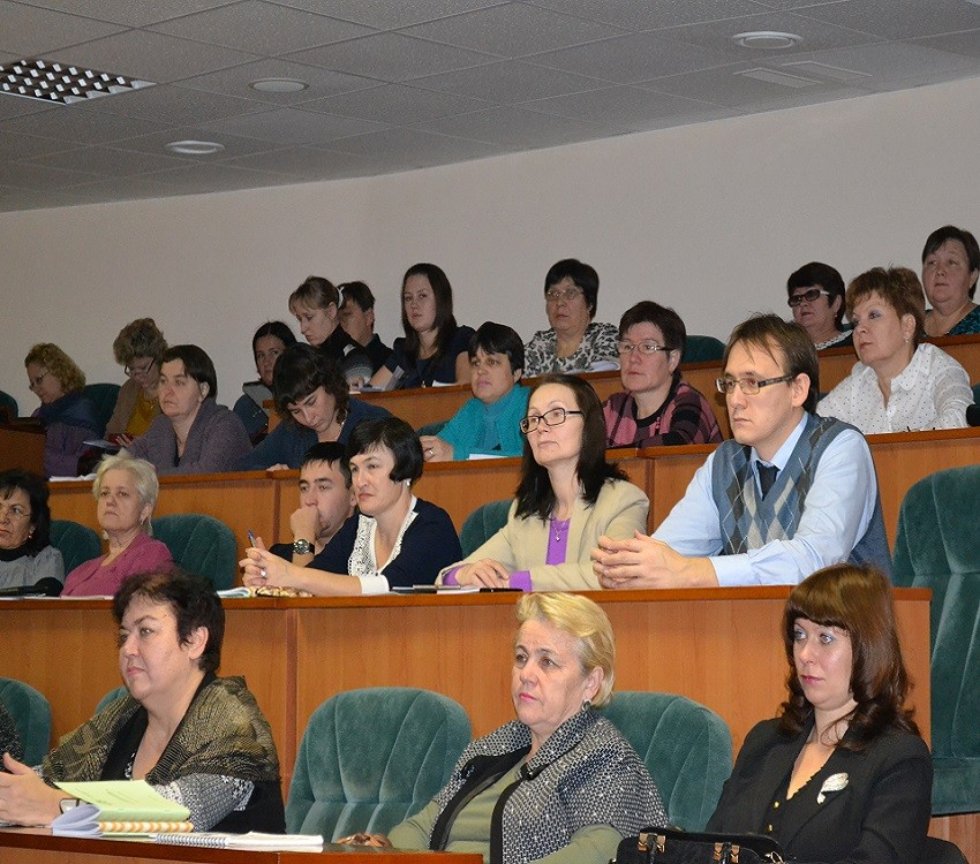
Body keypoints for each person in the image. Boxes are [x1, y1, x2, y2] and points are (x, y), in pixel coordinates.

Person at [338, 592, 666, 862]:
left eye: (547, 662)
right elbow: (422, 827)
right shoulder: (494, 747)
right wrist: (384, 852)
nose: (526, 674)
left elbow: (601, 849)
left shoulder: (604, 756)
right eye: (521, 658)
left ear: (591, 683)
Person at [592, 314, 890, 588]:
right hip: (749, 622)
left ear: (798, 389)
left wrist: (695, 571)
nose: (735, 399)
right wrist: (631, 567)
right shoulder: (724, 462)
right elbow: (671, 550)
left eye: (751, 383)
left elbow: (813, 561)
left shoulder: (840, 448)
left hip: (845, 625)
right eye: (730, 383)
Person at [0, 569, 284, 832]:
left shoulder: (234, 725)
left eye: (145, 631)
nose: (128, 649)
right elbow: (45, 782)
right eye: (124, 636)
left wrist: (59, 807)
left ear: (195, 641)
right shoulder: (121, 716)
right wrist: (15, 795)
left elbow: (179, 812)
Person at [707, 564, 931, 864]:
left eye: (825, 638)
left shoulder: (899, 759)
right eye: (800, 635)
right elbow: (710, 850)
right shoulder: (765, 741)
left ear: (867, 647)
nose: (804, 654)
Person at [440, 374, 649, 591]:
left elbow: (615, 575)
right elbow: (445, 578)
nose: (541, 427)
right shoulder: (525, 513)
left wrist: (517, 581)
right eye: (534, 418)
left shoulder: (623, 500)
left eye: (556, 413)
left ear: (589, 424)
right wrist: (463, 574)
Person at [241, 417, 460, 594]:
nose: (360, 481)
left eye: (372, 466)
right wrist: (267, 576)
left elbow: (389, 587)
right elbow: (314, 579)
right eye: (355, 469)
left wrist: (290, 574)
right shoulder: (358, 526)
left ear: (405, 470)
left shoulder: (433, 524)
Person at [818, 267, 971, 433]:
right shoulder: (859, 381)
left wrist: (905, 444)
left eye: (873, 315)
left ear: (907, 326)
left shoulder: (936, 366)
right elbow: (811, 431)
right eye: (856, 322)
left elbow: (960, 417)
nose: (859, 329)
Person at [240, 344, 389, 470]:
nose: (308, 418)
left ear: (329, 384)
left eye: (311, 402)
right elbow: (242, 468)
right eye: (296, 411)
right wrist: (273, 475)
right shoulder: (291, 432)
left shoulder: (374, 423)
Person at [603, 301, 722, 448]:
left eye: (647, 347)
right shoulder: (613, 407)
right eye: (627, 347)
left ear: (672, 360)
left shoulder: (689, 402)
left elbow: (678, 447)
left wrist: (604, 456)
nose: (633, 358)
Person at [129, 345, 252, 475]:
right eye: (163, 381)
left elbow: (205, 475)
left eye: (179, 383)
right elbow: (123, 462)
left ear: (203, 390)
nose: (167, 391)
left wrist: (149, 478)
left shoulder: (225, 424)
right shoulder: (161, 426)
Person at [61, 453, 172, 597]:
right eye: (104, 493)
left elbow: (138, 607)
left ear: (145, 510)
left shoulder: (152, 554)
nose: (110, 501)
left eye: (122, 494)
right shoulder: (80, 572)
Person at [420, 322, 530, 462]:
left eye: (492, 362)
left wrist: (458, 455)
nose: (480, 371)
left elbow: (532, 460)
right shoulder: (470, 410)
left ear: (516, 373)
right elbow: (440, 447)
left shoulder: (533, 406)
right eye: (475, 363)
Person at [368, 263, 475, 389]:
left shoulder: (461, 340)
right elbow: (371, 394)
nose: (414, 304)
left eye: (422, 296)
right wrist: (358, 388)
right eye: (408, 298)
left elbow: (463, 388)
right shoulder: (403, 353)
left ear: (441, 300)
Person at [523, 259, 619, 376]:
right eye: (553, 294)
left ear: (589, 303)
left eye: (570, 293)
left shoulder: (604, 337)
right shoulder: (540, 343)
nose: (559, 302)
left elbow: (603, 378)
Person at [267, 442, 355, 563]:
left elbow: (303, 575)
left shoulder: (364, 559)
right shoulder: (279, 556)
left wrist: (304, 535)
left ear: (353, 495)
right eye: (304, 488)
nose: (309, 500)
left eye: (323, 487)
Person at [24, 343, 101, 477]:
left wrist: (36, 454)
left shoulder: (82, 412)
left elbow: (83, 467)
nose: (36, 389)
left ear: (58, 371)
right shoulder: (37, 415)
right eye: (32, 384)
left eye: (39, 380)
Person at [290, 275, 372, 384]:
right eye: (300, 319)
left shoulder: (355, 358)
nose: (302, 328)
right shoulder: (307, 360)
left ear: (331, 311)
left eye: (309, 317)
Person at [105, 318, 168, 445]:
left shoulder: (174, 391)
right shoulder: (128, 389)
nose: (137, 377)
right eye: (132, 369)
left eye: (143, 368)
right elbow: (110, 433)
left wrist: (138, 449)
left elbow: (174, 444)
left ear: (159, 357)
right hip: (122, 455)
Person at [232, 321, 297, 442]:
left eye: (274, 353)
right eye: (261, 355)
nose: (267, 362)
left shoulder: (306, 399)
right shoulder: (245, 406)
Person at [0, 469, 64, 592]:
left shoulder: (45, 559)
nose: (2, 519)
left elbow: (43, 599)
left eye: (16, 510)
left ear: (33, 525)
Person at [921, 224, 980, 336]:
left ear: (973, 276)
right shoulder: (909, 328)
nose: (939, 271)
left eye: (951, 262)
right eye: (932, 262)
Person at [786, 262, 853, 350]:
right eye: (796, 298)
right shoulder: (784, 351)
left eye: (811, 294)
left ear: (836, 303)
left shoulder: (858, 344)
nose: (802, 303)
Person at [338, 280, 392, 373]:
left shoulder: (391, 363)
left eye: (346, 314)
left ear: (368, 317)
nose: (340, 323)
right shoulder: (329, 362)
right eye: (335, 318)